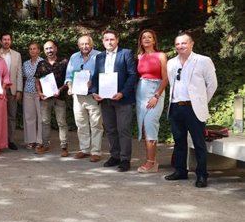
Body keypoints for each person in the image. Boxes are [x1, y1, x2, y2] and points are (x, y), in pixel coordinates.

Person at [165, 33, 217, 188]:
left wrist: (200, 103)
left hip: (193, 108)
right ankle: (180, 171)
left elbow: (212, 84)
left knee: (198, 142)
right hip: (175, 107)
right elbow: (172, 84)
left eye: (184, 43)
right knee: (179, 141)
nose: (181, 46)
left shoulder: (203, 61)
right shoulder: (171, 63)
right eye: (178, 44)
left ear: (192, 44)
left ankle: (202, 175)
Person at [91, 29, 137, 172]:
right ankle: (114, 156)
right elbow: (95, 77)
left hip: (122, 99)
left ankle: (125, 159)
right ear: (103, 41)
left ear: (117, 40)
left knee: (123, 129)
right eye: (106, 39)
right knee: (110, 129)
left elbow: (132, 75)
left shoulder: (126, 53)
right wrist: (94, 92)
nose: (109, 42)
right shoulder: (100, 57)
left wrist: (123, 93)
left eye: (112, 39)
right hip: (105, 99)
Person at [65, 35, 103, 162]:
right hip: (78, 96)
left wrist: (94, 83)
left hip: (93, 95)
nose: (84, 46)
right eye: (82, 44)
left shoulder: (99, 55)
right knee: (81, 123)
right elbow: (69, 75)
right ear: (78, 45)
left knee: (96, 124)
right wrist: (70, 86)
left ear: (91, 44)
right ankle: (84, 149)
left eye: (87, 44)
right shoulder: (74, 57)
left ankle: (96, 151)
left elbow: (104, 74)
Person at [135, 29, 168, 173]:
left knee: (150, 125)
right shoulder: (139, 56)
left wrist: (156, 96)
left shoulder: (161, 55)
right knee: (144, 127)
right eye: (144, 37)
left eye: (150, 37)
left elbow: (166, 78)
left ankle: (151, 163)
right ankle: (150, 159)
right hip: (140, 93)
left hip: (155, 91)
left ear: (154, 40)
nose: (146, 39)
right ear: (141, 41)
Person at [34, 40, 69, 156]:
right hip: (45, 98)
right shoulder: (41, 64)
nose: (49, 50)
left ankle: (64, 147)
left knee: (61, 122)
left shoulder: (64, 62)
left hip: (60, 96)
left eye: (51, 48)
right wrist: (39, 92)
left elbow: (69, 79)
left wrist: (61, 89)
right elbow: (37, 80)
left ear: (56, 48)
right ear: (44, 51)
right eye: (47, 49)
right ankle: (45, 145)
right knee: (45, 122)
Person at [0, 33, 23, 150]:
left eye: (8, 39)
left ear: (11, 41)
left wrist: (19, 90)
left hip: (12, 89)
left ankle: (11, 140)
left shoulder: (17, 55)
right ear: (1, 41)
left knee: (11, 116)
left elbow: (19, 73)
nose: (6, 41)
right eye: (4, 39)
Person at [22, 42, 44, 150]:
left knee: (40, 117)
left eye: (34, 48)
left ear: (38, 50)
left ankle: (40, 141)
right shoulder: (25, 64)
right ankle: (31, 140)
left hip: (40, 93)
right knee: (29, 117)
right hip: (28, 92)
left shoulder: (43, 62)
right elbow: (24, 78)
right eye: (30, 49)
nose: (32, 51)